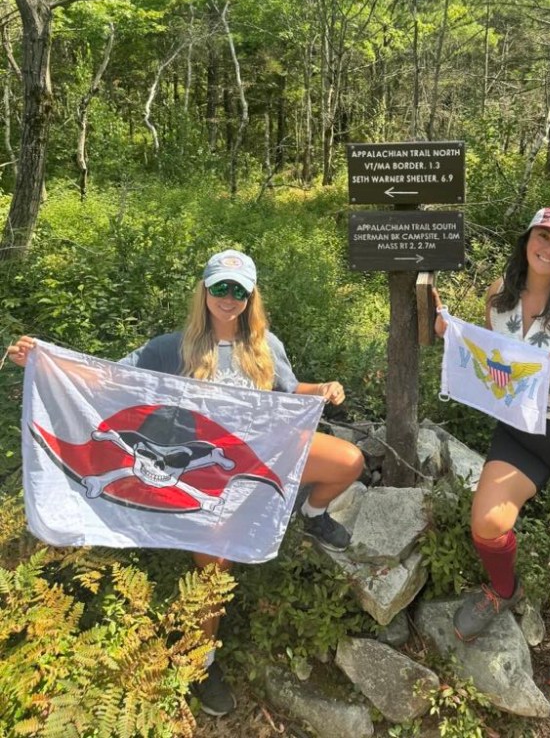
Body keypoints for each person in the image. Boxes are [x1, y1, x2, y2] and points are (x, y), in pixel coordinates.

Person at [8, 248, 365, 717]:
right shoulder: (169, 348)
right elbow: (106, 379)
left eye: (239, 290)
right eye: (221, 287)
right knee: (216, 567)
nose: (229, 298)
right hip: (198, 472)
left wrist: (321, 389)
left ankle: (311, 515)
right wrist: (43, 361)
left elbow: (287, 391)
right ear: (204, 290)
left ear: (252, 296)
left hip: (255, 456)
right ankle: (203, 661)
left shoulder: (264, 345)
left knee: (349, 461)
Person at [434, 208, 550, 691]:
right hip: (520, 433)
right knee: (487, 524)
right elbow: (497, 364)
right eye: (544, 236)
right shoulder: (499, 296)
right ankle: (504, 589)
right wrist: (454, 338)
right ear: (527, 239)